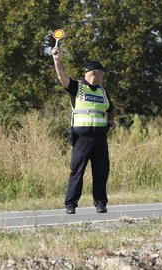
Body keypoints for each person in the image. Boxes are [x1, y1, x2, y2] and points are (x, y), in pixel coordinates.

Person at [51, 46, 116, 214]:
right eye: (102, 73)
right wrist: (57, 60)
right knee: (77, 171)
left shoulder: (103, 91)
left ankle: (101, 203)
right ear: (95, 73)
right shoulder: (77, 87)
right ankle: (71, 204)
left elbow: (111, 108)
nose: (103, 76)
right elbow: (62, 77)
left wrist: (111, 120)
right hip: (82, 137)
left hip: (100, 138)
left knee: (101, 172)